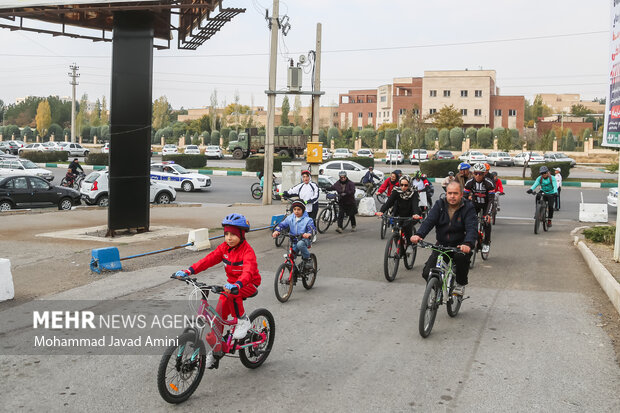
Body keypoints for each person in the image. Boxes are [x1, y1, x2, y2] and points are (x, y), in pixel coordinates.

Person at [174, 213, 261, 368]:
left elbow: (248, 271)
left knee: (232, 293)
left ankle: (243, 320)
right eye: (226, 234)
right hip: (231, 286)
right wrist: (189, 271)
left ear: (242, 235)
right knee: (217, 317)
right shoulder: (224, 248)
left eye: (233, 234)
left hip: (248, 284)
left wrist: (238, 284)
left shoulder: (248, 252)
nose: (229, 238)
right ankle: (216, 350)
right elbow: (207, 260)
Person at [410, 181, 477, 296]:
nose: (452, 196)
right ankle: (438, 289)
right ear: (446, 194)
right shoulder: (439, 205)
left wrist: (468, 243)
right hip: (441, 244)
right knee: (427, 272)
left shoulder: (468, 207)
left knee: (461, 259)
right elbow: (429, 221)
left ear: (461, 194)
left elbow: (472, 228)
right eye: (449, 193)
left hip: (460, 246)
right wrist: (419, 234)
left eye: (455, 193)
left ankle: (460, 284)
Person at [376, 175, 423, 244]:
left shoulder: (414, 192)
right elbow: (389, 203)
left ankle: (410, 245)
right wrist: (381, 211)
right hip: (399, 214)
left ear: (409, 184)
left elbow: (415, 204)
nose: (403, 187)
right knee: (395, 229)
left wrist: (416, 214)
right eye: (401, 185)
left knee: (406, 226)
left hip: (411, 215)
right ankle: (400, 250)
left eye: (406, 185)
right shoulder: (396, 191)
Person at [272, 200, 316, 270]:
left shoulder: (308, 220)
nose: (296, 211)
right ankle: (293, 276)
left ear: (303, 210)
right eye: (294, 209)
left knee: (300, 244)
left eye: (299, 209)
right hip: (293, 240)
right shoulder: (290, 218)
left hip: (304, 240)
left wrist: (308, 234)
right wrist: (277, 231)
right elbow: (282, 224)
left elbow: (312, 228)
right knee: (290, 259)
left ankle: (308, 259)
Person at [463, 163, 495, 253]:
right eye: (476, 173)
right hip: (475, 203)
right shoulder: (469, 182)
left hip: (486, 204)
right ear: (473, 173)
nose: (478, 176)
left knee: (486, 222)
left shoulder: (489, 183)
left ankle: (486, 242)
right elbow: (464, 197)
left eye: (480, 174)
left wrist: (488, 214)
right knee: (469, 221)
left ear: (484, 174)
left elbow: (491, 200)